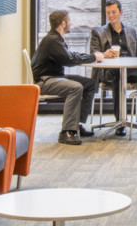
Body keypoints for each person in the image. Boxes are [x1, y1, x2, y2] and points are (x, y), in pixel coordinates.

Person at [31, 9, 104, 145]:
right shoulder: (53, 40)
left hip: (53, 77)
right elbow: (69, 60)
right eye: (69, 21)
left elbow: (70, 56)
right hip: (45, 80)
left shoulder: (55, 39)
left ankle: (76, 125)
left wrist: (92, 56)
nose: (71, 24)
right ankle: (67, 132)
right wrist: (94, 57)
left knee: (89, 83)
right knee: (75, 88)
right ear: (63, 23)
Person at [88, 0, 137, 136]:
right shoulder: (98, 32)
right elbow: (93, 54)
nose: (111, 15)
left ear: (121, 12)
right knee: (118, 76)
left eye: (113, 12)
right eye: (108, 13)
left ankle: (126, 81)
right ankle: (120, 121)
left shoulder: (131, 32)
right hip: (108, 72)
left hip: (130, 71)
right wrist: (104, 54)